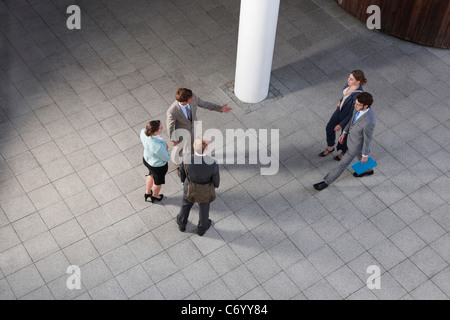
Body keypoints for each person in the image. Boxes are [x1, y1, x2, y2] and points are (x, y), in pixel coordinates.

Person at [314, 92, 376, 191]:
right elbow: (352, 120)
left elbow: (368, 139)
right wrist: (345, 132)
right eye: (355, 103)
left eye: (358, 104)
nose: (355, 106)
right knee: (360, 156)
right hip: (351, 138)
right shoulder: (358, 108)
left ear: (366, 106)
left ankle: (326, 182)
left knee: (342, 164)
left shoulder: (369, 121)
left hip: (356, 145)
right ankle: (368, 170)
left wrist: (365, 155)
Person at [319, 70, 367, 161]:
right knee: (329, 128)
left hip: (347, 118)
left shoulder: (358, 96)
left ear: (358, 82)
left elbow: (351, 114)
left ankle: (343, 152)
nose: (348, 80)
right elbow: (345, 95)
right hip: (339, 111)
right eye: (349, 77)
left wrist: (341, 125)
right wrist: (340, 101)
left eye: (351, 79)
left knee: (344, 137)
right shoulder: (349, 85)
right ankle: (330, 147)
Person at [176, 137, 220, 236]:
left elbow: (182, 171)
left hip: (190, 186)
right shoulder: (212, 162)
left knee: (185, 205)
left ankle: (182, 223)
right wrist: (216, 185)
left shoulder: (186, 158)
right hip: (205, 189)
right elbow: (215, 176)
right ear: (206, 149)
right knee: (204, 208)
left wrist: (183, 180)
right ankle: (202, 228)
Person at [166, 88, 232, 151]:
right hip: (182, 132)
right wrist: (173, 140)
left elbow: (205, 104)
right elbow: (170, 127)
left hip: (194, 127)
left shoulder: (192, 97)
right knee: (180, 148)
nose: (193, 98)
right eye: (191, 98)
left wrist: (220, 108)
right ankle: (180, 161)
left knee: (193, 144)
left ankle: (193, 157)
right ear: (184, 101)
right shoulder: (172, 111)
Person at [140, 120, 170, 203]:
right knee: (158, 182)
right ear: (155, 131)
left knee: (151, 174)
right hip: (158, 166)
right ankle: (155, 196)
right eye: (160, 128)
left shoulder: (143, 132)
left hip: (147, 160)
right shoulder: (157, 146)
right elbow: (166, 158)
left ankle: (148, 193)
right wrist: (166, 149)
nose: (162, 128)